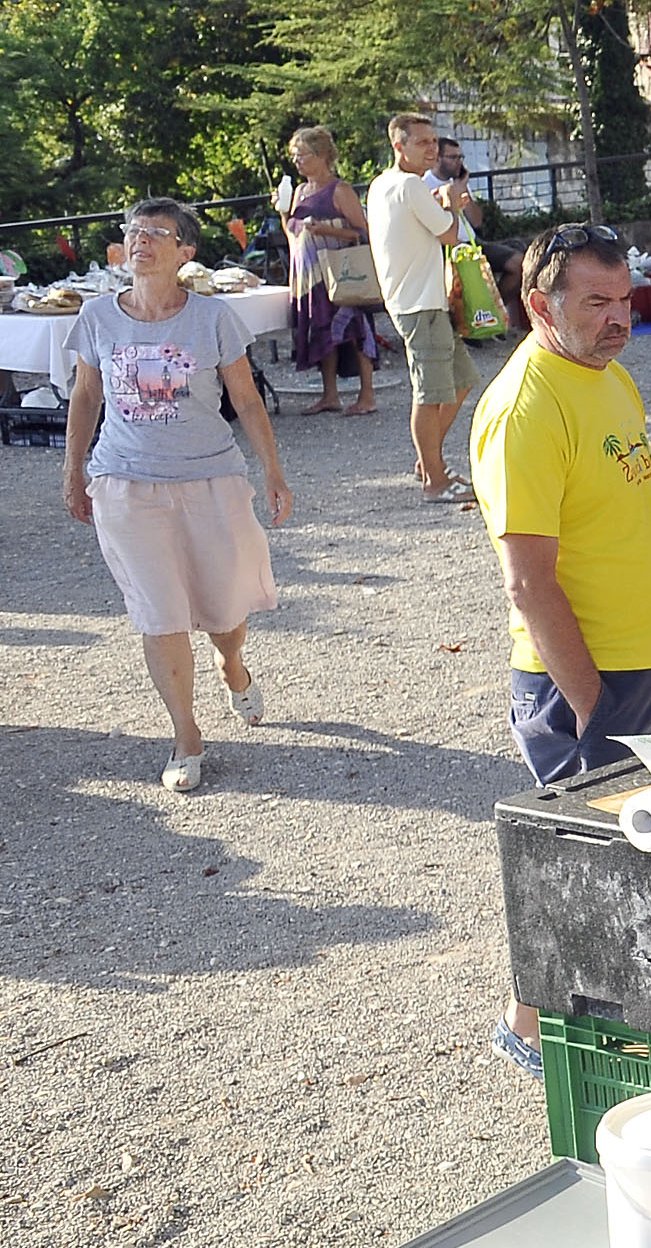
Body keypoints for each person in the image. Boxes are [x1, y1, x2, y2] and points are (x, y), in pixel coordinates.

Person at [471, 221, 651, 1073]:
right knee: (582, 863)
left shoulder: (607, 376)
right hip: (589, 681)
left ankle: (570, 1020)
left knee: (633, 859)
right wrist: (593, 701)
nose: (619, 317)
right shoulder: (525, 407)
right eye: (595, 302)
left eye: (623, 298)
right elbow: (528, 581)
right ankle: (531, 1032)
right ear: (539, 304)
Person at [60, 197, 296, 794]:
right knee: (159, 610)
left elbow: (245, 399)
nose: (140, 241)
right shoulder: (96, 317)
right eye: (133, 231)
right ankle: (186, 734)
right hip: (125, 482)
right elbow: (86, 399)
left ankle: (233, 665)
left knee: (222, 607)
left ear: (185, 252)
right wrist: (73, 471)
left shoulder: (212, 318)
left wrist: (272, 470)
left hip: (210, 477)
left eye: (156, 233)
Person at [370, 110, 483, 503]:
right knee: (430, 392)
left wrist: (439, 202)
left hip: (419, 299)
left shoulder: (384, 184)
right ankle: (434, 479)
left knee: (461, 378)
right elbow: (451, 234)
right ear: (398, 145)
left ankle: (429, 460)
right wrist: (451, 202)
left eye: (434, 142)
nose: (432, 149)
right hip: (420, 303)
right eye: (422, 142)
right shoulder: (410, 187)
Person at [275, 126, 385, 416]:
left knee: (355, 328)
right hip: (311, 276)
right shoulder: (299, 191)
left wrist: (326, 229)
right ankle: (330, 395)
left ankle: (367, 395)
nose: (296, 161)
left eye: (302, 155)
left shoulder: (340, 190)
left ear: (322, 155)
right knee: (321, 331)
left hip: (340, 271)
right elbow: (293, 234)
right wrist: (284, 212)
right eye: (294, 156)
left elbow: (362, 230)